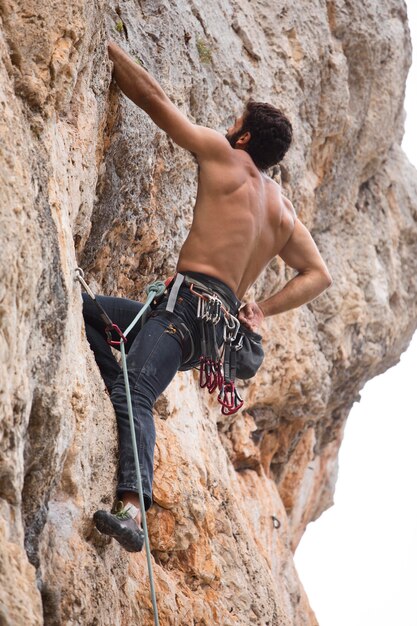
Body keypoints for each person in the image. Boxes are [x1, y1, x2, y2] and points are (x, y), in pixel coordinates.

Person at [82, 40, 332, 552]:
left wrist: (104, 42)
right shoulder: (281, 210)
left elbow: (155, 100)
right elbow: (317, 274)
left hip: (187, 310)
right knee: (91, 311)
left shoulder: (224, 155)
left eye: (233, 121)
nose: (226, 127)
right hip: (213, 332)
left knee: (138, 389)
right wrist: (262, 307)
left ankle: (132, 509)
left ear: (242, 135)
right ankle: (120, 392)